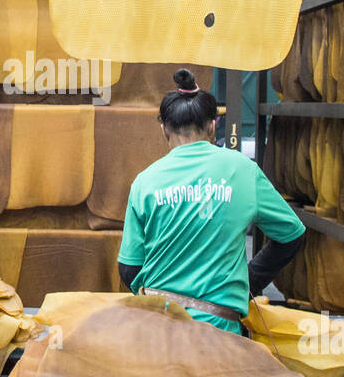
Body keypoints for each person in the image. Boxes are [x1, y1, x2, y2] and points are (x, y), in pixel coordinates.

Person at [117, 69, 307, 335]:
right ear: (212, 125)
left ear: (163, 128)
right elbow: (292, 235)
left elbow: (129, 268)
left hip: (157, 333)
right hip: (221, 333)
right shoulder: (243, 170)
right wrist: (248, 281)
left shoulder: (144, 182)